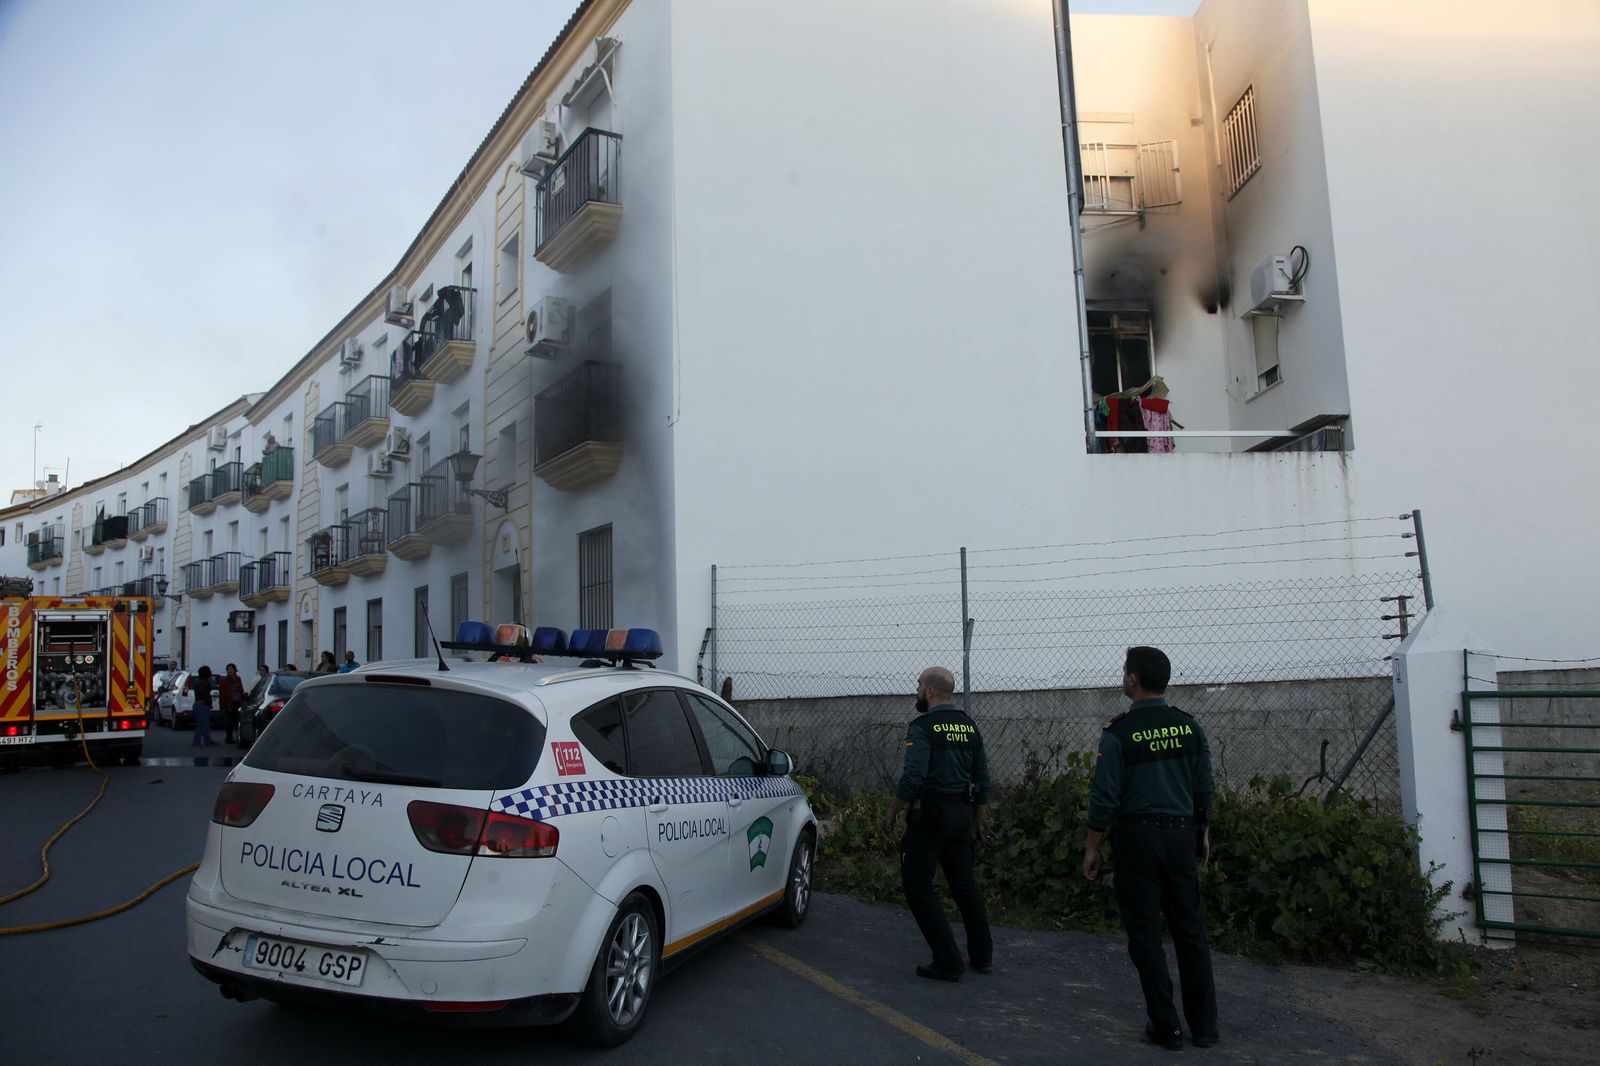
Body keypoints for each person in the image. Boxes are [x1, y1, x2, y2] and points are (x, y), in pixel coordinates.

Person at [1083, 647, 1219, 1052]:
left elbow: (1105, 797)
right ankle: (1206, 1027)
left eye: (1125, 672)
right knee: (1190, 931)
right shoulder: (1189, 728)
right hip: (1181, 836)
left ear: (1133, 679)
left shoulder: (1119, 733)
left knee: (1145, 934)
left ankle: (1166, 1026)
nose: (1122, 677)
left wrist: (1092, 846)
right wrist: (1203, 831)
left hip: (1138, 839)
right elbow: (1202, 787)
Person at [880, 666, 994, 981]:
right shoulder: (969, 727)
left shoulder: (923, 726)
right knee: (963, 883)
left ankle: (948, 960)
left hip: (930, 816)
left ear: (930, 691)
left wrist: (892, 811)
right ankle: (982, 956)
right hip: (962, 816)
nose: (916, 689)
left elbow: (914, 776)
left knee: (917, 884)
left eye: (918, 684)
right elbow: (982, 778)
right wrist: (980, 819)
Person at [217, 663, 245, 744]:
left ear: (235, 670)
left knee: (237, 720)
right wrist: (222, 706)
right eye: (228, 669)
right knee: (229, 721)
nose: (230, 671)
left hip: (237, 702)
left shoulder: (238, 679)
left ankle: (237, 736)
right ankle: (229, 737)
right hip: (229, 703)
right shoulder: (224, 681)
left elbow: (241, 690)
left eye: (231, 669)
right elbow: (222, 694)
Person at [190, 665, 216, 747]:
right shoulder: (205, 682)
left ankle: (208, 740)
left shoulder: (198, 681)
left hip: (198, 705)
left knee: (205, 724)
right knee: (202, 725)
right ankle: (196, 741)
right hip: (203, 705)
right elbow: (211, 687)